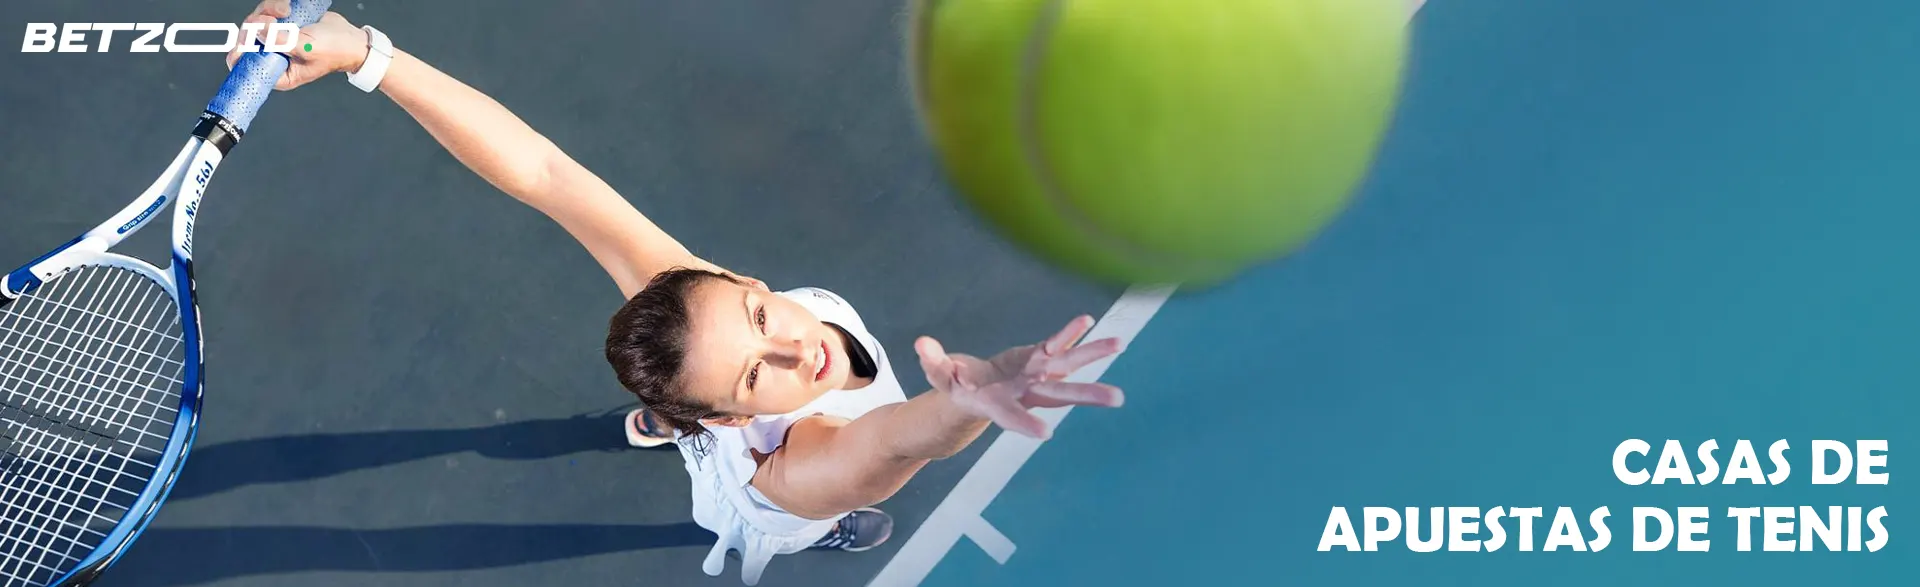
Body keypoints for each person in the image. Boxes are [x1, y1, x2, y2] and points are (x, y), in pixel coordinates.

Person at [230, 2, 1128, 584]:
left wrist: (368, 56)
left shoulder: (708, 303)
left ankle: (664, 416)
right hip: (769, 490)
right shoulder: (797, 468)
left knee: (684, 357)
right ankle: (679, 428)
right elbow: (885, 449)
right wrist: (961, 406)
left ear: (745, 282)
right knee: (836, 515)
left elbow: (544, 172)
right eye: (755, 378)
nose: (792, 348)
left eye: (759, 318)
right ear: (742, 421)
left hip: (703, 403)